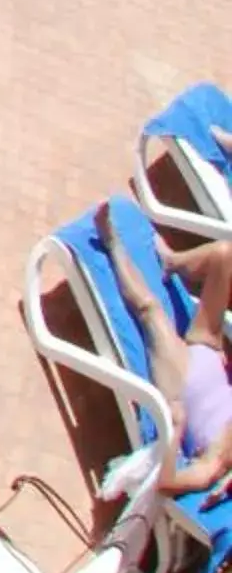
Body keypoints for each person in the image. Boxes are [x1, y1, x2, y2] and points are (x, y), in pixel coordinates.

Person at [97, 201, 232, 494]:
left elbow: (166, 483)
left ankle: (111, 243)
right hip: (211, 352)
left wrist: (177, 430)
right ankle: (174, 261)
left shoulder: (214, 464)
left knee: (150, 310)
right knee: (225, 254)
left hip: (182, 379)